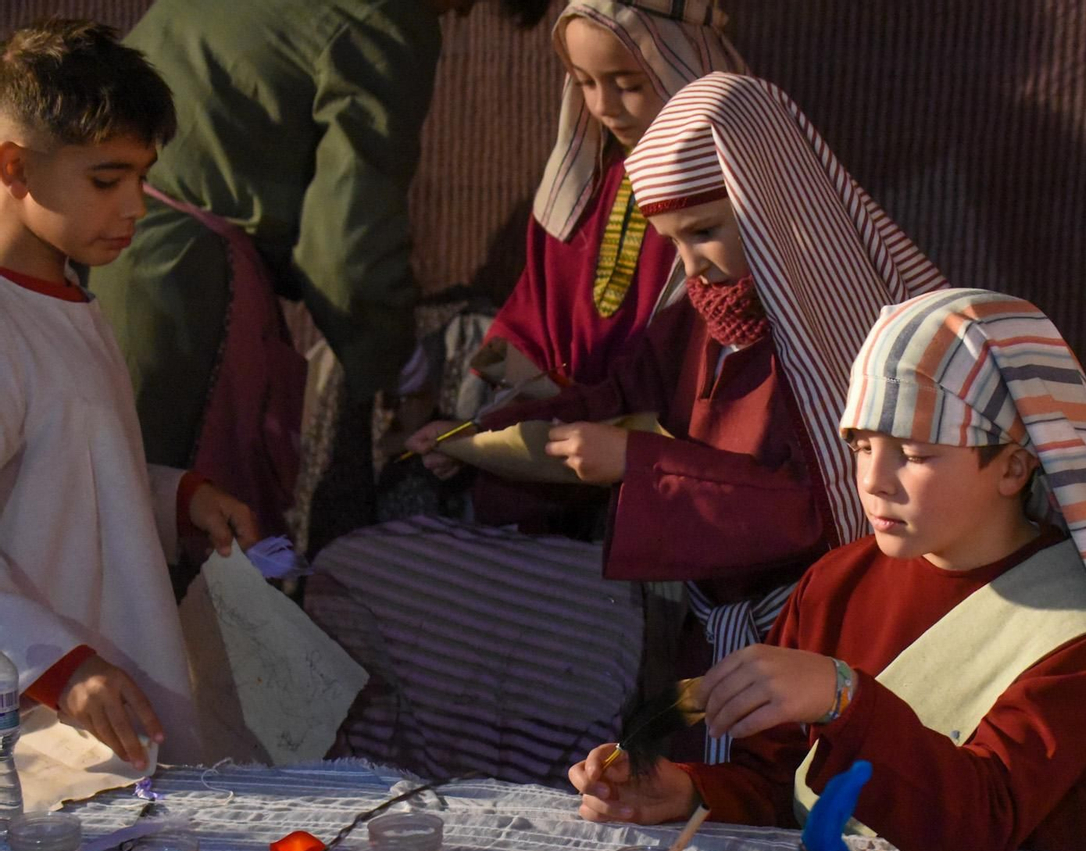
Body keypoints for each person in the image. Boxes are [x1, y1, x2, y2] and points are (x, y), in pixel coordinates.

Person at [310, 72, 944, 784]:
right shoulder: (700, 319)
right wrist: (483, 437)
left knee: (796, 792)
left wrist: (636, 465)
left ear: (769, 206)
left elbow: (815, 507)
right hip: (714, 630)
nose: (692, 265)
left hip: (819, 635)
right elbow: (617, 392)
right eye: (674, 243)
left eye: (705, 233)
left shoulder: (846, 339)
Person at [569, 288, 1086, 851]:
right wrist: (684, 791)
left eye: (913, 454)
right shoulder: (837, 582)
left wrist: (843, 697)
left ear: (1013, 468)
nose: (874, 480)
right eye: (860, 445)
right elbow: (779, 784)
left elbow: (980, 828)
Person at [89, 0, 550, 540]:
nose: (462, 13)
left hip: (92, 236)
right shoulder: (382, 18)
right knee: (165, 536)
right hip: (179, 285)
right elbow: (349, 249)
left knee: (96, 504)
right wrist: (402, 374)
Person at [0, 20, 260, 769]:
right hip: (41, 743)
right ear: (16, 166)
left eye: (142, 178)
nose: (136, 207)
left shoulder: (70, 302)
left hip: (109, 718)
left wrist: (177, 498)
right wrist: (57, 665)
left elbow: (66, 478)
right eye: (106, 180)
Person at [411, 0, 745, 537]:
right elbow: (536, 309)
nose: (604, 105)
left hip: (668, 452)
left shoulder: (722, 199)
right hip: (557, 429)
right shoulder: (589, 179)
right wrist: (486, 423)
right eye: (585, 82)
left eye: (628, 83)